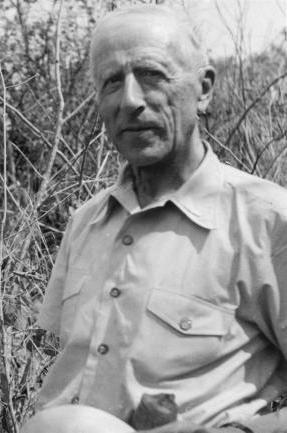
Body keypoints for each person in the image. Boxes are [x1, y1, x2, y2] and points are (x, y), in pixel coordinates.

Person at [35, 4, 287, 432]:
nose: (129, 100)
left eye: (151, 74)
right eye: (112, 81)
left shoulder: (267, 222)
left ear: (203, 89)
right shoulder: (86, 222)